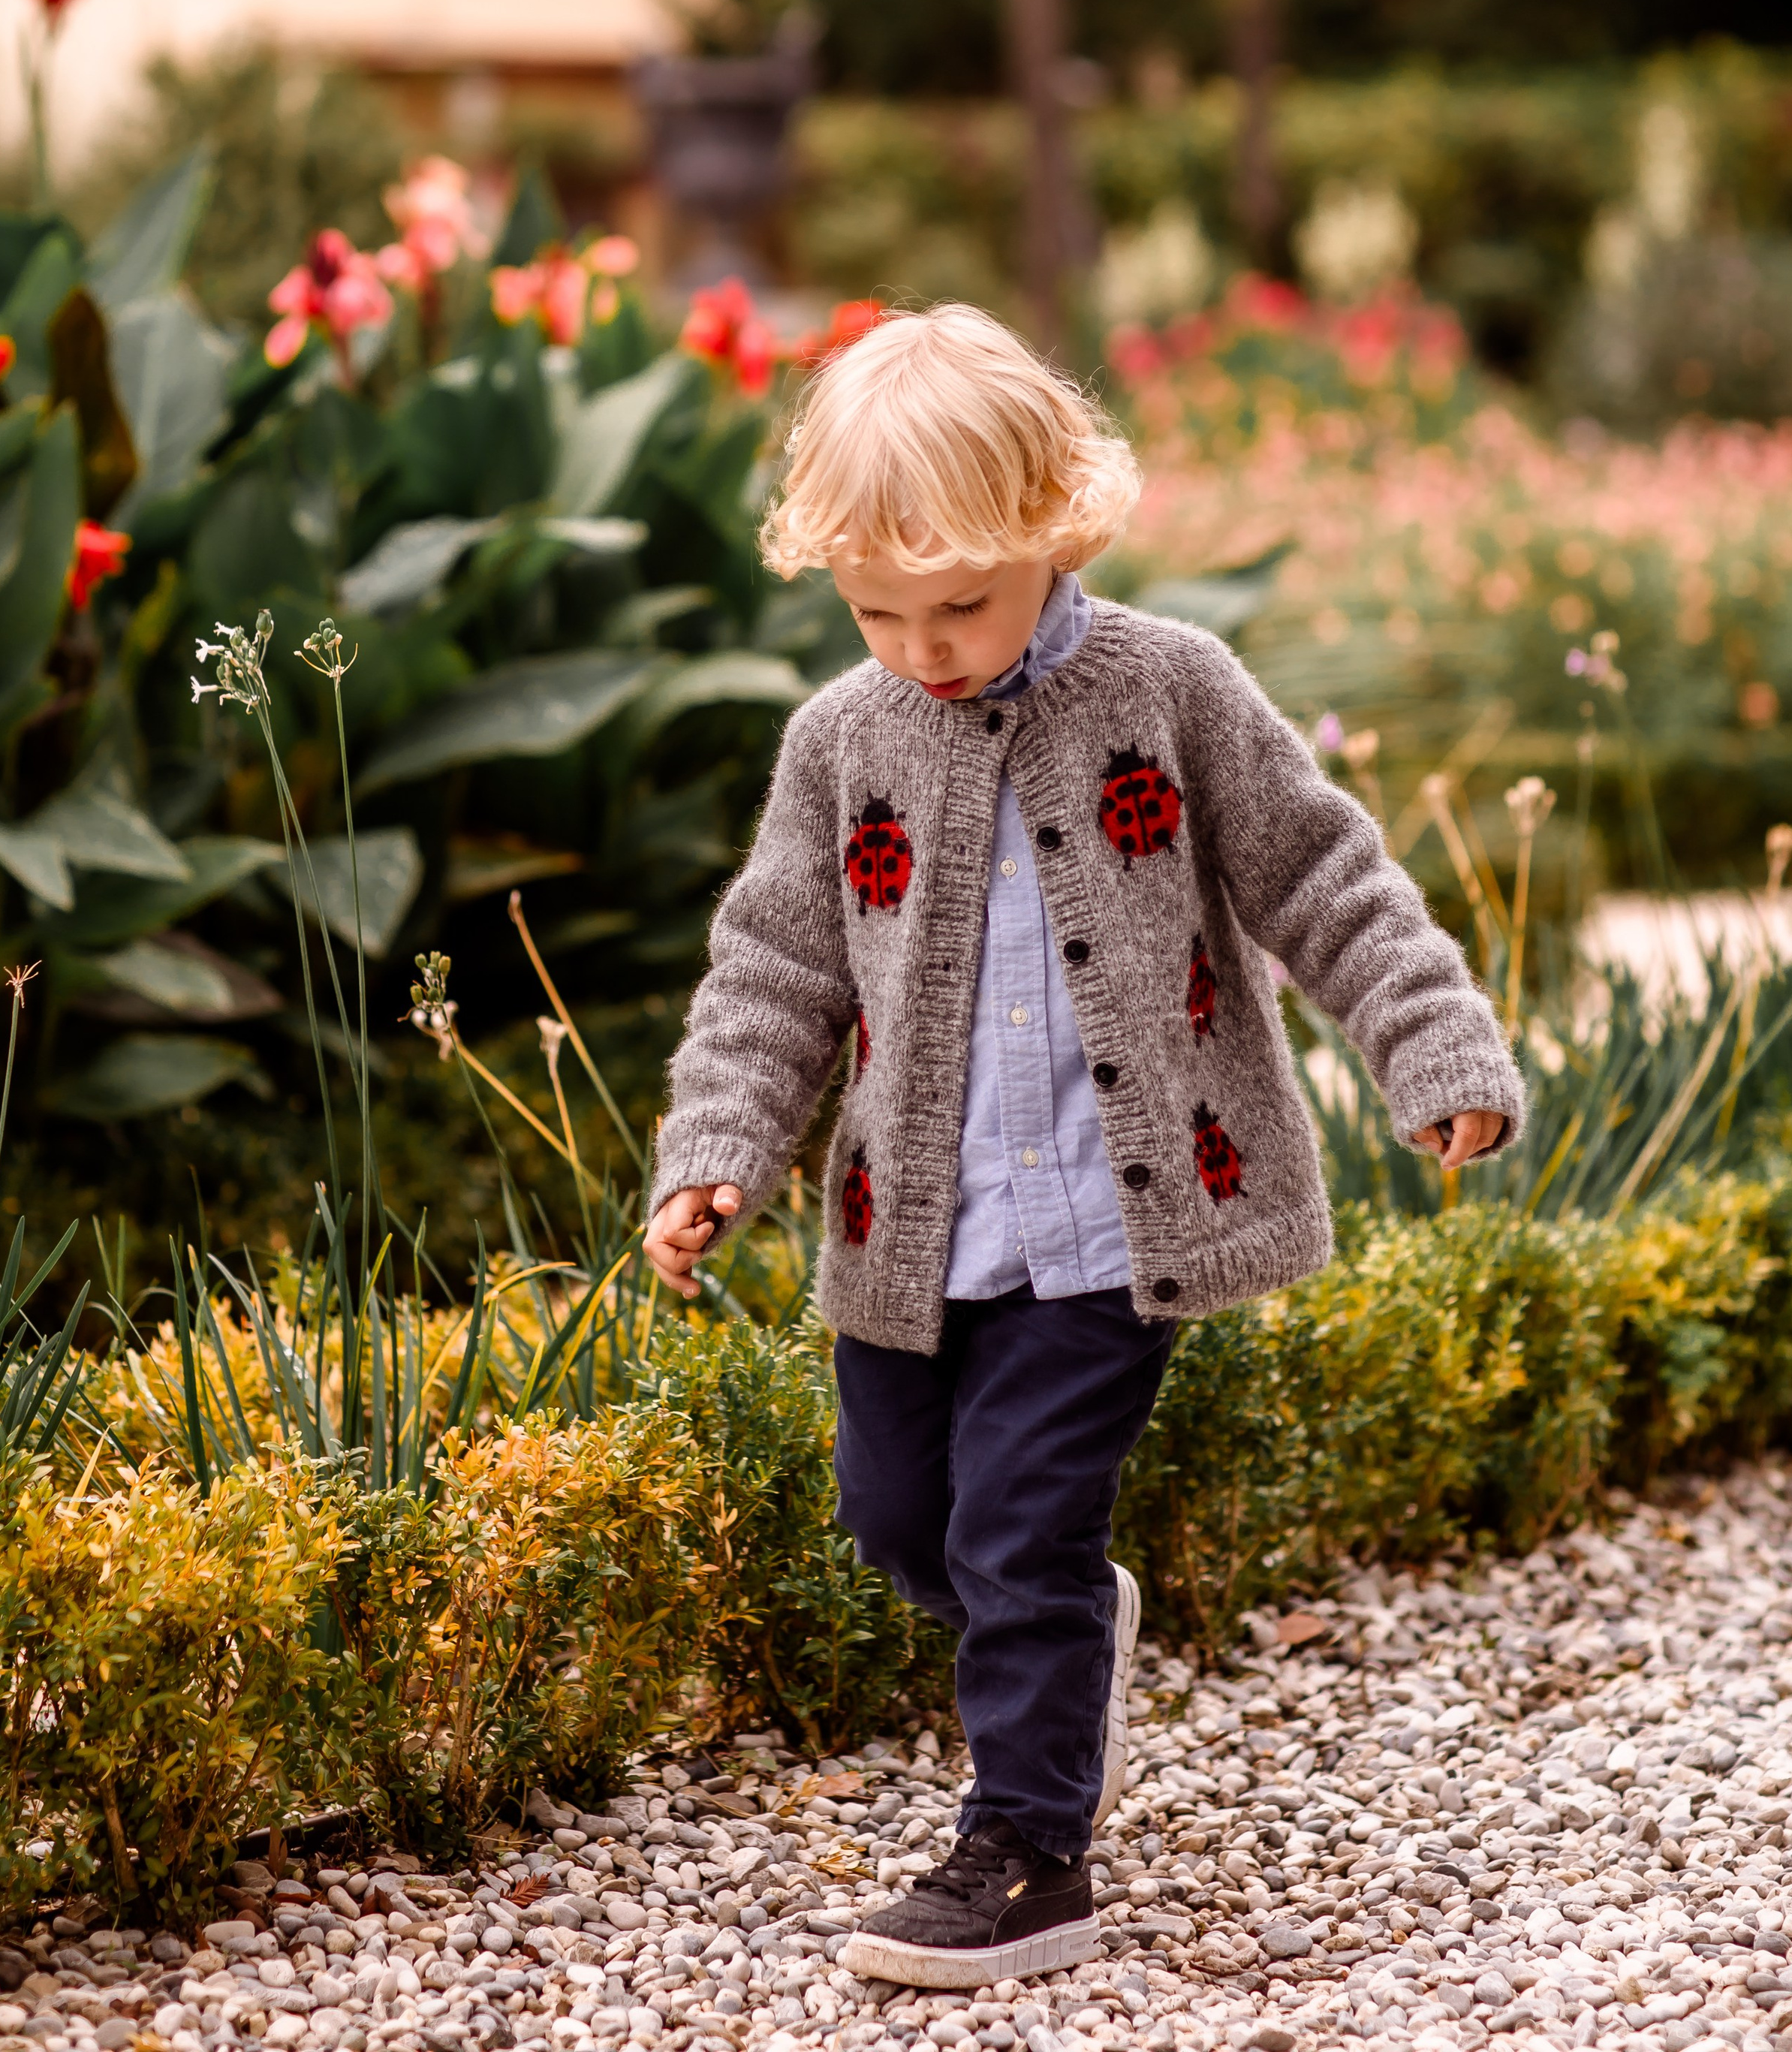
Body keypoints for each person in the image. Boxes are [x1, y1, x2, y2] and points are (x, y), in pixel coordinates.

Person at [643, 303, 1522, 1990]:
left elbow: (1320, 878)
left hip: (1121, 1228)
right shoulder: (842, 741)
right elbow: (774, 966)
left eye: (962, 603)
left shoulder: (1168, 691)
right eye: (876, 610)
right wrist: (716, 1146)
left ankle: (1028, 1850)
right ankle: (1060, 1631)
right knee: (899, 1518)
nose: (924, 645)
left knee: (1015, 1532)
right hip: (912, 1229)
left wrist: (1430, 1043)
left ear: (1061, 527)